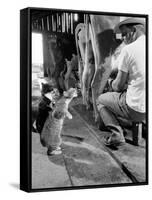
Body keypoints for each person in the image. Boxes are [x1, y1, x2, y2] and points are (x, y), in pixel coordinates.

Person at [96, 18, 146, 147]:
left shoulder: (128, 50)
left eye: (124, 34)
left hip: (137, 109)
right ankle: (138, 133)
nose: (123, 39)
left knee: (101, 100)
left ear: (133, 30)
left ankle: (117, 134)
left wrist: (111, 82)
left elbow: (118, 86)